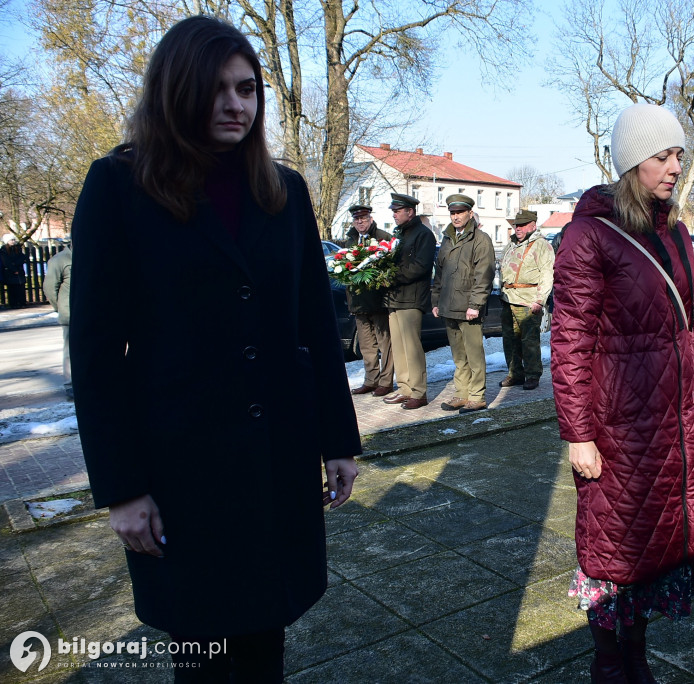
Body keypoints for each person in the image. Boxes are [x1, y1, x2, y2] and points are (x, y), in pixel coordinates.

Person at [68, 16, 361, 681]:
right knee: (204, 651)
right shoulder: (119, 187)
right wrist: (122, 490)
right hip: (182, 474)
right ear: (178, 89)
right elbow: (93, 353)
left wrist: (337, 441)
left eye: (248, 88)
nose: (237, 104)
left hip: (275, 465)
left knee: (266, 638)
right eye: (218, 88)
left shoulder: (284, 191)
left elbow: (315, 323)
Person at [552, 103, 694, 682]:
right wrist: (578, 432)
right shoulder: (588, 235)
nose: (676, 165)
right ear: (632, 162)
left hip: (673, 421)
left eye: (679, 153)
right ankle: (608, 659)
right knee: (615, 544)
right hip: (617, 422)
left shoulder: (676, 231)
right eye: (662, 155)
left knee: (658, 543)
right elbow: (571, 337)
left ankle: (638, 655)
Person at [432, 193, 495, 414]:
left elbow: (484, 275)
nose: (456, 216)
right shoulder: (448, 239)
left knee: (474, 355)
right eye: (452, 213)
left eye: (460, 212)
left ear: (470, 213)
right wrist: (436, 300)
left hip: (469, 308)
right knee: (459, 356)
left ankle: (477, 396)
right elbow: (439, 273)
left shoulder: (481, 239)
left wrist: (475, 305)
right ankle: (462, 393)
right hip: (449, 306)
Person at [382, 193, 436, 410]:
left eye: (397, 211)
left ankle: (419, 391)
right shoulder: (400, 234)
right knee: (399, 347)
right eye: (393, 211)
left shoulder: (423, 234)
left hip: (411, 298)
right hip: (395, 298)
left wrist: (390, 276)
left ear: (410, 212)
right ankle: (405, 388)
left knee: (412, 347)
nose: (394, 215)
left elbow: (420, 267)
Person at [343, 204, 395, 397]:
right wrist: (350, 302)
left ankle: (386, 382)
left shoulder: (383, 237)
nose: (360, 222)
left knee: (385, 344)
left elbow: (391, 270)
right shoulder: (350, 240)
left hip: (378, 301)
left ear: (370, 219)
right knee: (366, 346)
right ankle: (370, 381)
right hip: (358, 303)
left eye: (363, 219)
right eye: (356, 220)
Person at [499, 209, 554, 391]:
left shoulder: (541, 245)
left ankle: (532, 375)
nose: (518, 228)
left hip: (528, 300)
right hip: (508, 299)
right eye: (516, 225)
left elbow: (547, 274)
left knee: (529, 340)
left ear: (533, 225)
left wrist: (540, 300)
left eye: (522, 225)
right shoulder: (511, 244)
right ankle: (515, 373)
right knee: (510, 339)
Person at [42, 243, 73, 398]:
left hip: (87, 313)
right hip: (69, 313)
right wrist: (59, 307)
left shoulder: (87, 256)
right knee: (69, 351)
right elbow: (49, 288)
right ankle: (70, 385)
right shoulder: (60, 260)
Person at [0, 235, 28, 308]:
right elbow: (6, 262)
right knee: (12, 289)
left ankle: (22, 303)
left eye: (13, 240)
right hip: (10, 272)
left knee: (21, 288)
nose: (13, 241)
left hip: (19, 270)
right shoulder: (4, 250)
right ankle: (14, 303)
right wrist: (13, 269)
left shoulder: (18, 248)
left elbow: (22, 258)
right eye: (11, 240)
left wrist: (15, 264)